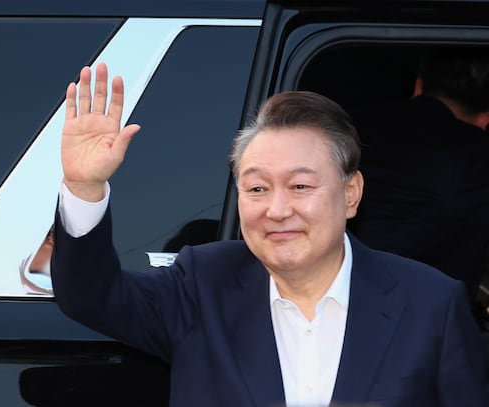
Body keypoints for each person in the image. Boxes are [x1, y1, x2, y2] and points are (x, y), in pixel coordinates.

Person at [51, 63, 488, 406]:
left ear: (351, 194)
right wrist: (85, 187)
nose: (277, 210)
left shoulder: (430, 302)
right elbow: (90, 294)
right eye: (257, 188)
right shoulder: (201, 285)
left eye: (300, 186)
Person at [347, 48, 489, 307]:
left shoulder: (347, 127)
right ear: (486, 117)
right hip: (417, 322)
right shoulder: (474, 156)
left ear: (418, 85)